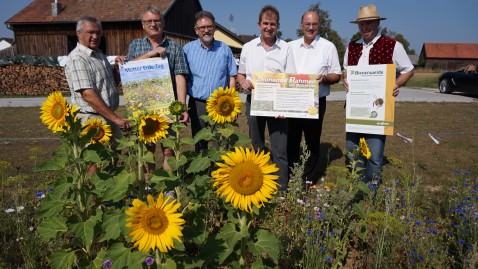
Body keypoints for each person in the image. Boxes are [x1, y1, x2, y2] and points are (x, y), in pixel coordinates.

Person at [343, 4, 414, 184]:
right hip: (355, 108)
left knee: (374, 154)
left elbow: (409, 69)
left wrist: (396, 84)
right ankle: (355, 186)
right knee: (352, 151)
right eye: (361, 24)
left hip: (379, 109)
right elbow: (345, 70)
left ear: (377, 23)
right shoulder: (352, 46)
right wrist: (345, 79)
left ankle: (372, 189)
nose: (364, 27)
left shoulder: (392, 45)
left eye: (368, 23)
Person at [237, 5, 296, 191]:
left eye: (272, 24)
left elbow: (290, 78)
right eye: (265, 23)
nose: (268, 27)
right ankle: (259, 184)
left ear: (278, 25)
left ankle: (281, 189)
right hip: (254, 102)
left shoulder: (286, 48)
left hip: (278, 105)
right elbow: (241, 74)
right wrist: (243, 82)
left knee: (280, 149)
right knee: (256, 145)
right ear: (259, 24)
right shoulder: (247, 47)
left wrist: (285, 108)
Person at [125, 5, 189, 171]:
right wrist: (149, 55)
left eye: (156, 20)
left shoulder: (174, 47)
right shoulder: (136, 45)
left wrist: (182, 107)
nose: (153, 24)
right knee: (147, 148)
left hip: (167, 105)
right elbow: (128, 69)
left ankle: (167, 184)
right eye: (149, 21)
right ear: (143, 25)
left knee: (169, 148)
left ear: (163, 23)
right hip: (143, 106)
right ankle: (148, 183)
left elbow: (180, 76)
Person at [288, 10, 341, 183]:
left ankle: (308, 178)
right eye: (307, 24)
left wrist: (325, 79)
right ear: (301, 25)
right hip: (294, 101)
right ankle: (291, 174)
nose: (311, 28)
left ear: (319, 25)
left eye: (315, 24)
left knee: (312, 140)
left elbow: (337, 74)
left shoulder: (328, 47)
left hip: (316, 101)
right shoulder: (290, 46)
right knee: (292, 139)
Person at [64, 16, 130, 154]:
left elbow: (112, 82)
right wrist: (116, 118)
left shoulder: (98, 54)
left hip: (108, 115)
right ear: (79, 33)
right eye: (90, 32)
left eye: (98, 33)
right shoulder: (78, 58)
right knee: (95, 161)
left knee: (115, 156)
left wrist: (117, 69)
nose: (95, 36)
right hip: (91, 119)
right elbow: (88, 94)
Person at [183, 11, 237, 152]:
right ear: (196, 30)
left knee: (221, 142)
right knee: (200, 141)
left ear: (214, 28)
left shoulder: (224, 49)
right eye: (202, 28)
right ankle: (202, 173)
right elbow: (182, 78)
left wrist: (233, 104)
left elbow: (232, 76)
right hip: (197, 104)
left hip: (221, 103)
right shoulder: (187, 50)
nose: (206, 30)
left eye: (209, 27)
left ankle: (218, 173)